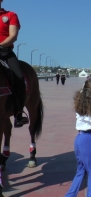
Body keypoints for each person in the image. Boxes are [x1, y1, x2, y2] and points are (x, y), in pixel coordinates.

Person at [0, 0, 28, 128]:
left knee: (19, 78)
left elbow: (13, 36)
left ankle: (18, 113)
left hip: (5, 52)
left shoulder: (11, 15)